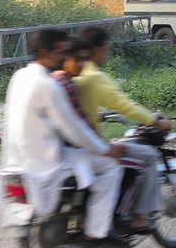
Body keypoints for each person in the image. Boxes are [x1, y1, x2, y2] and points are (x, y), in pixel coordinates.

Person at [0, 28, 126, 246]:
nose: (65, 56)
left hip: (17, 160)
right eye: (61, 51)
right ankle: (96, 231)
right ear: (44, 53)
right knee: (111, 167)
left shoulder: (20, 76)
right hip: (46, 161)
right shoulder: (48, 85)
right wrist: (107, 150)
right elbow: (74, 129)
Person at [74, 26, 172, 232]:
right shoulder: (94, 76)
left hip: (76, 144)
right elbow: (124, 105)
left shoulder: (72, 75)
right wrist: (155, 121)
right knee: (147, 157)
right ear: (100, 49)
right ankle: (139, 217)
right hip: (88, 147)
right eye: (106, 49)